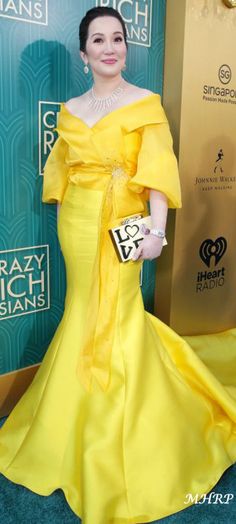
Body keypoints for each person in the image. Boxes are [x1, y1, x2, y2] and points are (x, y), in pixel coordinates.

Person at [0, 6, 235, 524]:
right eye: (98, 41)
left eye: (118, 39)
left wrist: (157, 231)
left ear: (126, 48)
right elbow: (60, 177)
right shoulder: (70, 110)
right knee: (82, 308)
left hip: (125, 225)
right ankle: (70, 422)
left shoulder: (145, 105)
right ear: (83, 55)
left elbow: (155, 172)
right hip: (77, 228)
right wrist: (70, 219)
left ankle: (129, 426)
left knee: (119, 312)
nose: (110, 47)